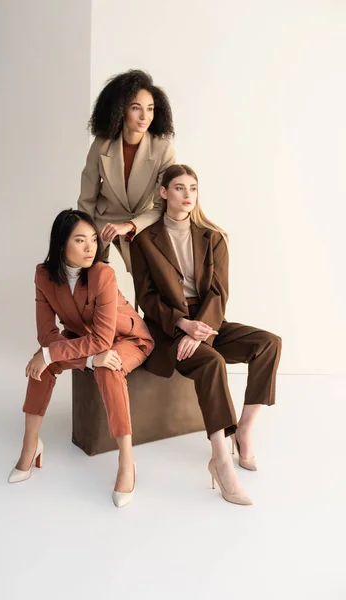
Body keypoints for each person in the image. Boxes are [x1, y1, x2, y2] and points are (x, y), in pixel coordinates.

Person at [130, 165, 282, 506]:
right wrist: (183, 326)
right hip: (167, 330)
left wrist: (200, 330)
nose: (187, 196)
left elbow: (218, 293)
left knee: (269, 343)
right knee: (212, 362)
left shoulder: (213, 237)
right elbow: (147, 298)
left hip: (207, 321)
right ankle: (220, 459)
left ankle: (243, 430)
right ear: (163, 192)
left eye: (193, 189)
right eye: (180, 188)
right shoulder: (144, 241)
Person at [8, 209, 154, 508]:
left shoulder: (103, 273)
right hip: (85, 342)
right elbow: (47, 335)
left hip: (128, 339)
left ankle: (127, 460)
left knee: (107, 369)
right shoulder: (44, 275)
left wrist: (65, 354)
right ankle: (30, 444)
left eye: (92, 240)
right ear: (62, 245)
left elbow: (102, 340)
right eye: (80, 240)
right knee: (43, 363)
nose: (91, 248)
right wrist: (83, 360)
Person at [78, 69, 175, 272]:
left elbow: (160, 206)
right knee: (91, 279)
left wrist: (130, 226)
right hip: (102, 220)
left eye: (150, 109)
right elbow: (87, 198)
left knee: (151, 283)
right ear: (121, 110)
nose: (144, 116)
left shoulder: (163, 149)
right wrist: (85, 235)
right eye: (136, 108)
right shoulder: (101, 145)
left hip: (140, 222)